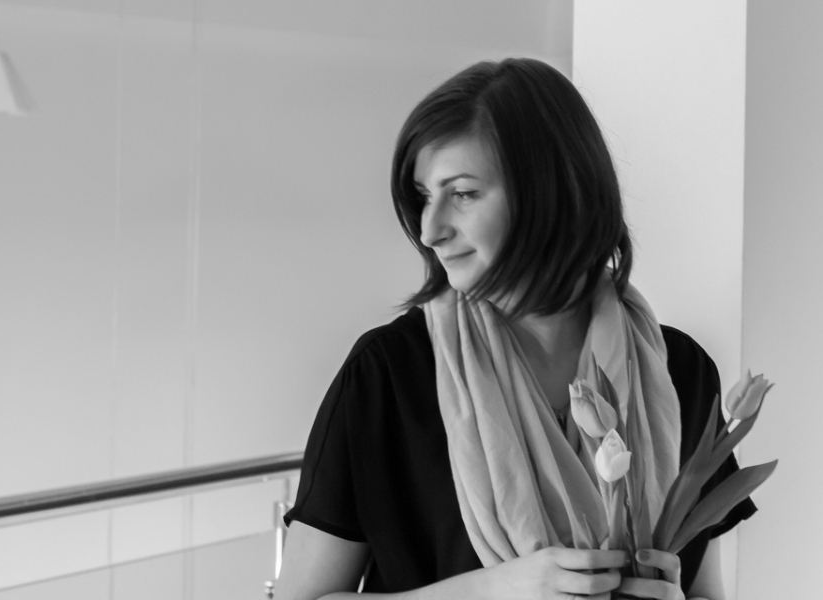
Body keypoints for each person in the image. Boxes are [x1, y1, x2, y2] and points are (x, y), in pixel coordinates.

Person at [276, 58, 755, 600]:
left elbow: (708, 592)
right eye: (424, 197)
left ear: (552, 189)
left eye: (462, 194)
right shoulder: (390, 373)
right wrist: (493, 591)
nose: (429, 230)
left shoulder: (679, 370)